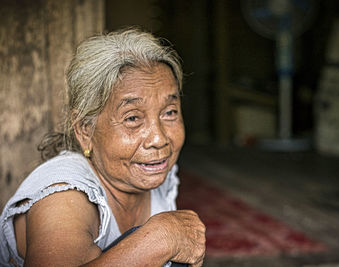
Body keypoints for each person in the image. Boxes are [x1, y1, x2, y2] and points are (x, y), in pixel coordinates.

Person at [0, 27, 206, 267]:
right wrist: (159, 239)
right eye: (132, 118)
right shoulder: (64, 196)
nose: (158, 139)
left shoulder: (153, 174)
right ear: (85, 131)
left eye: (169, 113)